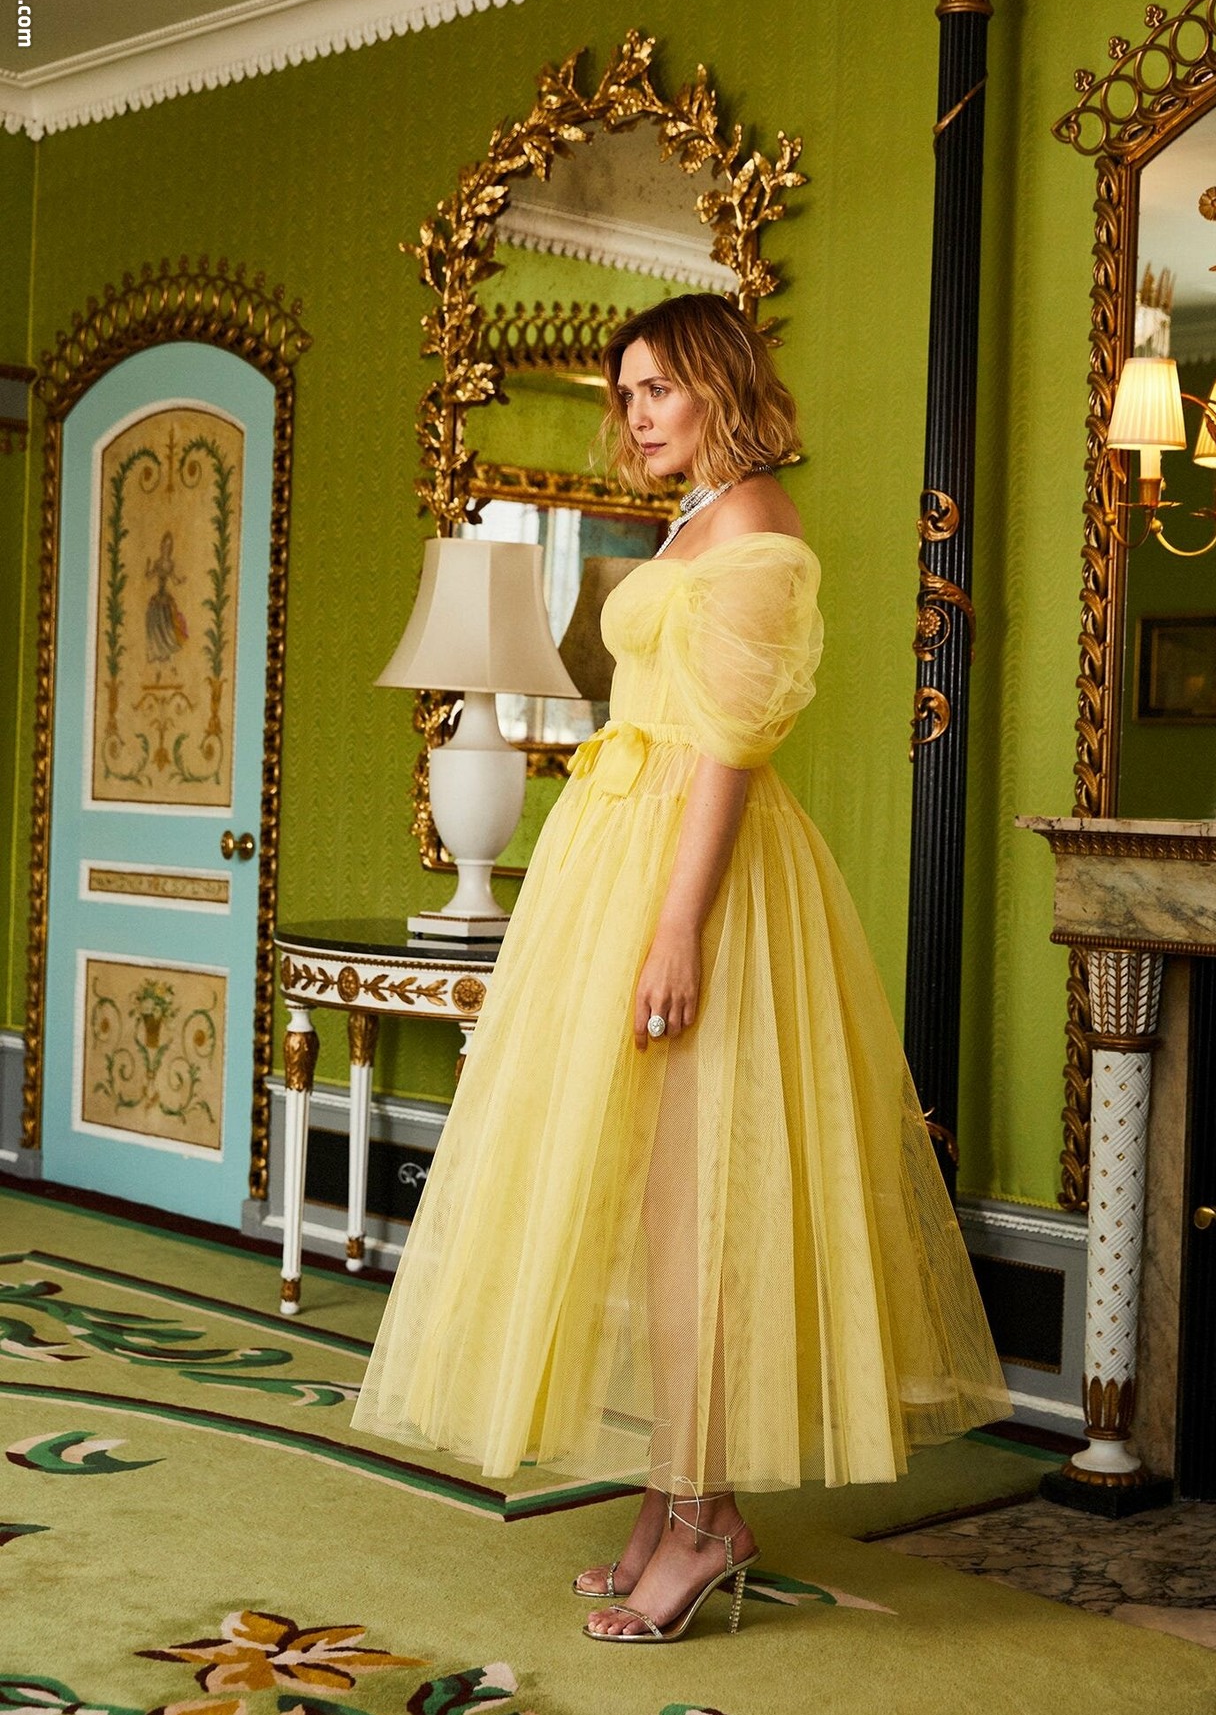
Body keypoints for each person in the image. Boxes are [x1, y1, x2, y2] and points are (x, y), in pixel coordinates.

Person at [351, 292, 1009, 1645]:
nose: (635, 414)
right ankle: (669, 1498)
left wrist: (675, 927)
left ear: (718, 384)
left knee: (698, 1210)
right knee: (657, 1209)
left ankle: (708, 1520)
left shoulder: (757, 527)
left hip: (692, 879)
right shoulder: (698, 517)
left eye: (658, 387)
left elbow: (729, 749)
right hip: (623, 855)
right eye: (627, 392)